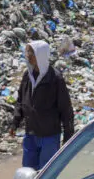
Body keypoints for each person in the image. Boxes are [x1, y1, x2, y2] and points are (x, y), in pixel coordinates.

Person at [10, 40, 75, 170]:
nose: (28, 55)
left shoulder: (55, 78)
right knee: (28, 171)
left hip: (49, 136)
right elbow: (21, 101)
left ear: (41, 55)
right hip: (31, 133)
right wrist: (15, 123)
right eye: (28, 52)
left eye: (32, 52)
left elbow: (65, 108)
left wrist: (68, 136)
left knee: (46, 173)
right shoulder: (28, 76)